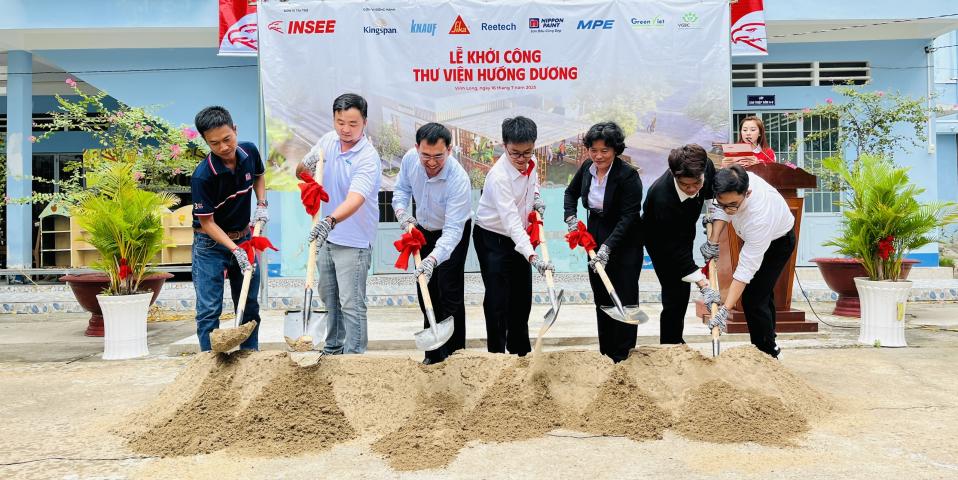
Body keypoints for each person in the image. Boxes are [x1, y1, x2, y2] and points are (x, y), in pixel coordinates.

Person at [296, 93, 382, 355]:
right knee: (330, 297)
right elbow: (301, 172)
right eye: (340, 122)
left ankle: (354, 358)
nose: (345, 129)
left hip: (354, 240)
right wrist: (306, 165)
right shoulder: (327, 141)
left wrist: (330, 220)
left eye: (353, 124)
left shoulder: (367, 157)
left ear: (364, 122)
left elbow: (355, 198)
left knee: (351, 303)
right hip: (327, 237)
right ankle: (333, 349)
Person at [392, 123, 472, 365]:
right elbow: (401, 190)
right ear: (417, 148)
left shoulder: (458, 179)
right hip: (423, 229)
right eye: (425, 155)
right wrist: (402, 213)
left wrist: (433, 259)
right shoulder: (410, 160)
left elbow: (452, 231)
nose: (432, 162)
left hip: (453, 233)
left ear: (449, 150)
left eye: (438, 156)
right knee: (425, 289)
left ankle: (455, 357)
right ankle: (433, 356)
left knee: (449, 291)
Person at [563, 122, 643, 363]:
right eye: (593, 150)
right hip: (596, 233)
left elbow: (629, 216)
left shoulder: (628, 176)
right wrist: (571, 217)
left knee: (624, 296)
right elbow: (570, 193)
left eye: (604, 151)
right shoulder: (587, 168)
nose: (598, 156)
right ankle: (606, 354)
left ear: (616, 150)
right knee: (602, 296)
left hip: (625, 239)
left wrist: (608, 247)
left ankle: (624, 355)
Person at [474, 116, 553, 356]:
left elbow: (533, 183)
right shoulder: (499, 177)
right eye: (515, 153)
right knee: (498, 298)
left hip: (518, 235)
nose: (521, 159)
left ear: (534, 146)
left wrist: (536, 197)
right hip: (492, 237)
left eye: (527, 152)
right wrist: (533, 257)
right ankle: (497, 355)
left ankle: (520, 352)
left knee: (521, 296)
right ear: (504, 145)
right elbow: (510, 222)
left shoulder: (532, 162)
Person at [190, 106, 268, 351]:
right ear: (205, 142)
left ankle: (250, 357)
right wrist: (235, 250)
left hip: (244, 237)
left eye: (227, 139)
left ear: (235, 129)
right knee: (209, 309)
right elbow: (207, 223)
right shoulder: (203, 176)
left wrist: (262, 204)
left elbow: (259, 175)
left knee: (249, 305)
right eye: (214, 143)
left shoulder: (249, 151)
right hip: (210, 245)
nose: (224, 147)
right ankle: (209, 363)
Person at [700, 164, 794, 359]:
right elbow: (723, 209)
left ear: (747, 193)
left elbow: (744, 271)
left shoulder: (759, 218)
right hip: (754, 237)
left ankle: (768, 352)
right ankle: (769, 340)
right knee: (762, 293)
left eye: (733, 204)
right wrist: (713, 241)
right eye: (722, 203)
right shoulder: (731, 184)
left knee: (754, 297)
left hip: (779, 243)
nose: (728, 209)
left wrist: (725, 310)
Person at [642, 144, 719, 344]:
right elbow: (674, 248)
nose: (692, 189)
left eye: (697, 183)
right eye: (686, 185)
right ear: (675, 176)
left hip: (685, 228)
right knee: (675, 291)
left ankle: (675, 340)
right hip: (659, 239)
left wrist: (712, 218)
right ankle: (671, 344)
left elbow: (711, 193)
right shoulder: (660, 196)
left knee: (682, 291)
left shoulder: (705, 167)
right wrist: (704, 285)